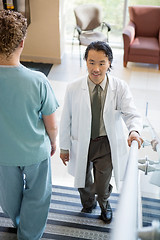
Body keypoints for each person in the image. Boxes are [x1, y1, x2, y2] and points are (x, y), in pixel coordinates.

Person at [59, 41, 143, 224]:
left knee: (102, 185)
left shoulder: (119, 87)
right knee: (82, 181)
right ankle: (88, 203)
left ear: (110, 63)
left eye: (101, 63)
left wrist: (134, 131)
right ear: (85, 62)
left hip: (105, 144)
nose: (96, 68)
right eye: (91, 62)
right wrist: (64, 147)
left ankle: (104, 204)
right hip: (81, 142)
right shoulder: (73, 88)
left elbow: (131, 113)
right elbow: (66, 119)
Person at [0, 10, 59, 239]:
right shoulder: (38, 81)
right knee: (38, 195)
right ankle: (29, 234)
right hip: (35, 152)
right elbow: (51, 123)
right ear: (22, 43)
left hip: (3, 154)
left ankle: (16, 219)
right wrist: (53, 142)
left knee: (8, 195)